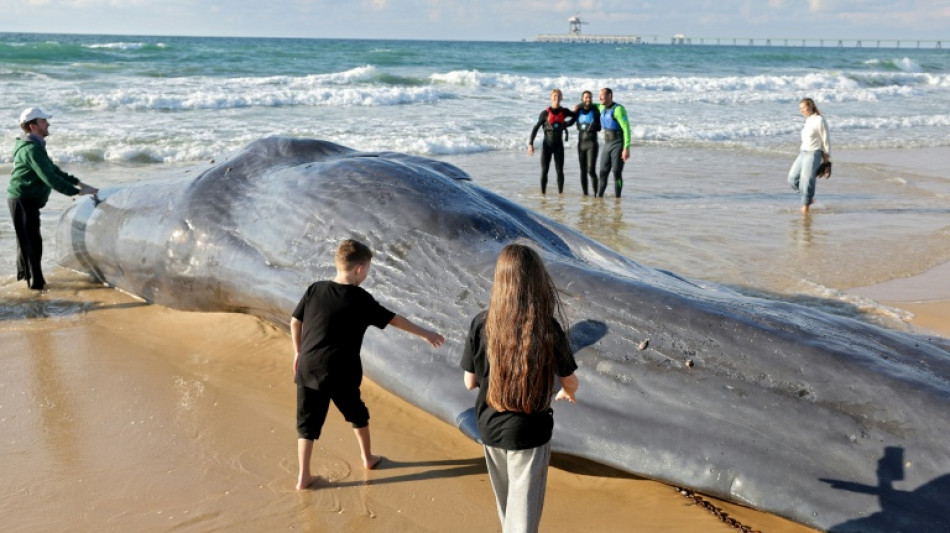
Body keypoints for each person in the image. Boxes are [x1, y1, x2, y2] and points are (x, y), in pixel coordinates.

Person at [290, 239, 444, 490]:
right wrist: (425, 333)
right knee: (357, 414)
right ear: (360, 269)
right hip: (342, 371)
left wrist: (298, 352)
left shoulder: (315, 289)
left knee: (307, 424)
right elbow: (394, 320)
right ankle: (368, 457)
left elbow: (295, 321)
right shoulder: (360, 298)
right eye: (369, 268)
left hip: (308, 367)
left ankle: (303, 476)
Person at [461, 244, 579, 533]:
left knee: (507, 508)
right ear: (537, 281)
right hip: (530, 432)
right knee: (523, 517)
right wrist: (567, 392)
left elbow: (469, 382)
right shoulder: (547, 327)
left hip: (489, 427)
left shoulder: (481, 322)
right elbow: (570, 379)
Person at [8, 107, 98, 290]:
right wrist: (75, 193)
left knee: (28, 242)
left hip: (26, 200)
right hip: (22, 199)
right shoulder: (31, 149)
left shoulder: (36, 146)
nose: (48, 124)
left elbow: (54, 171)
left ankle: (25, 282)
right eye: (43, 121)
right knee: (31, 244)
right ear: (33, 126)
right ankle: (35, 286)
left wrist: (80, 184)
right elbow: (48, 178)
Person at [528, 89, 576, 194]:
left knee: (560, 171)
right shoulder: (544, 113)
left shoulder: (564, 111)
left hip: (559, 146)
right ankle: (543, 195)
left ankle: (560, 195)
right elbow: (535, 128)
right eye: (554, 96)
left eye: (559, 96)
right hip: (547, 146)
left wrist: (566, 124)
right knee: (544, 171)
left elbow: (574, 117)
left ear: (561, 98)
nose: (556, 97)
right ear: (551, 97)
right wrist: (531, 144)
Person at [787, 97, 831, 214]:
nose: (802, 110)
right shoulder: (808, 120)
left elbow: (826, 141)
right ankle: (808, 199)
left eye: (803, 107)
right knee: (792, 179)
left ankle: (805, 208)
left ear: (811, 106)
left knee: (807, 182)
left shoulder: (820, 120)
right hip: (803, 153)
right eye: (800, 108)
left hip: (813, 153)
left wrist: (826, 162)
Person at [595, 88, 631, 198]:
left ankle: (617, 199)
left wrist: (626, 148)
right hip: (607, 145)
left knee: (616, 172)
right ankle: (599, 198)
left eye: (602, 95)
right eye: (599, 95)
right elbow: (590, 104)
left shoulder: (618, 109)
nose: (599, 97)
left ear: (609, 96)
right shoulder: (601, 107)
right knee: (602, 172)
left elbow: (626, 128)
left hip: (618, 144)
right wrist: (580, 105)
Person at [574, 91, 601, 196]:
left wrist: (593, 127)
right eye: (586, 98)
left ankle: (595, 195)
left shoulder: (595, 111)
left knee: (591, 170)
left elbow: (599, 127)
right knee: (583, 171)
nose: (588, 99)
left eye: (590, 97)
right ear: (582, 99)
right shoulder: (578, 111)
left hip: (592, 144)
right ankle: (585, 195)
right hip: (581, 144)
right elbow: (571, 121)